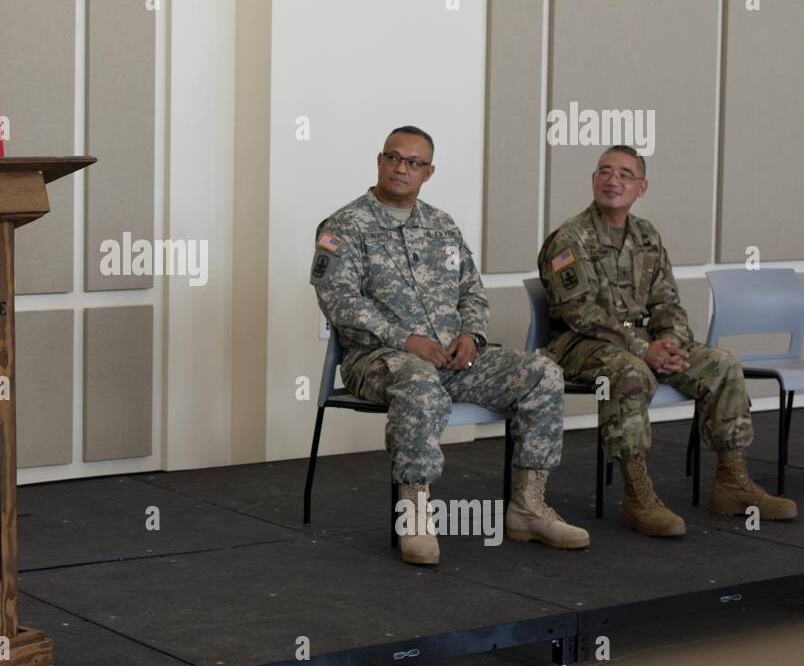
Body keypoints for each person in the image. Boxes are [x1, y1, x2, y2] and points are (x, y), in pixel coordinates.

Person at [311, 126, 589, 565]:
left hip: (453, 358)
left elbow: (472, 294)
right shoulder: (344, 226)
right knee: (418, 381)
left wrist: (471, 337)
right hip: (380, 360)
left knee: (543, 373)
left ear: (429, 172)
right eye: (394, 157)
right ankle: (416, 515)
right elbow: (339, 302)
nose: (402, 167)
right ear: (379, 161)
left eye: (414, 162)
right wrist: (405, 340)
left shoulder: (442, 226)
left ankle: (528, 507)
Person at [538, 145, 797, 537]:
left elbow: (667, 302)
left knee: (722, 362)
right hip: (580, 345)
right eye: (605, 172)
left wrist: (672, 344)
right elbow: (581, 314)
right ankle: (637, 496)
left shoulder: (647, 236)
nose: (613, 181)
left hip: (645, 344)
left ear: (642, 187)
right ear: (594, 180)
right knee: (628, 371)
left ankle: (732, 482)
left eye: (625, 174)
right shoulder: (570, 240)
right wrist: (645, 350)